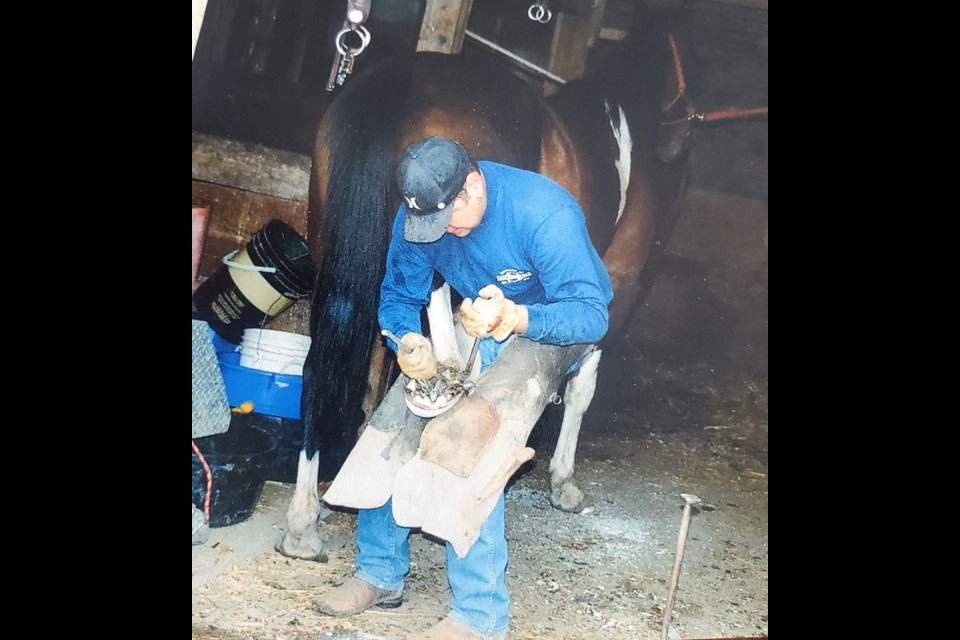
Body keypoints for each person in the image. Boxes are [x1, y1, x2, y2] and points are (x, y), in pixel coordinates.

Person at [315, 135, 613, 640]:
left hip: (550, 327)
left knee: (471, 441)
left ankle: (480, 613)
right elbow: (398, 294)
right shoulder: (422, 213)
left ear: (473, 184)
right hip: (480, 317)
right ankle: (379, 572)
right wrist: (406, 340)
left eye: (449, 219)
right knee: (398, 420)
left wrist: (517, 317)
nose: (441, 234)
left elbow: (592, 314)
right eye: (430, 224)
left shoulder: (543, 212)